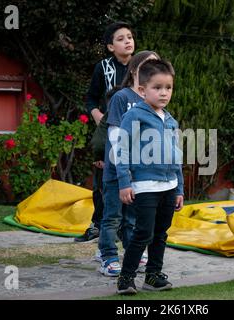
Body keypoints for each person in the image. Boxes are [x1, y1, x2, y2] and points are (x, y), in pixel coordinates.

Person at [115, 59, 184, 295]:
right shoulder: (134, 116)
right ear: (143, 90)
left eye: (168, 87)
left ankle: (153, 276)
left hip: (169, 186)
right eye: (157, 87)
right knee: (143, 232)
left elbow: (177, 158)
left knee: (161, 233)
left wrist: (179, 189)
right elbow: (121, 150)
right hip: (145, 186)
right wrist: (124, 183)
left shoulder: (171, 120)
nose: (164, 93)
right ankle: (126, 279)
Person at [98, 50, 160, 276]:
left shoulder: (153, 100)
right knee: (112, 216)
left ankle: (132, 253)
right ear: (134, 69)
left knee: (133, 218)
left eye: (156, 64)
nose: (153, 68)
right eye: (147, 64)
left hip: (140, 173)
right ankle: (108, 256)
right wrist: (123, 169)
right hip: (117, 172)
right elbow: (115, 136)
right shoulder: (121, 97)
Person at [75, 21, 135, 242]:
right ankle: (98, 225)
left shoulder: (140, 67)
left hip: (134, 131)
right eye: (121, 39)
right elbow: (91, 97)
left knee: (132, 177)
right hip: (109, 129)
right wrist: (98, 116)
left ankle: (126, 227)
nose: (127, 41)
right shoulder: (103, 67)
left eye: (129, 37)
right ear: (111, 47)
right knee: (103, 178)